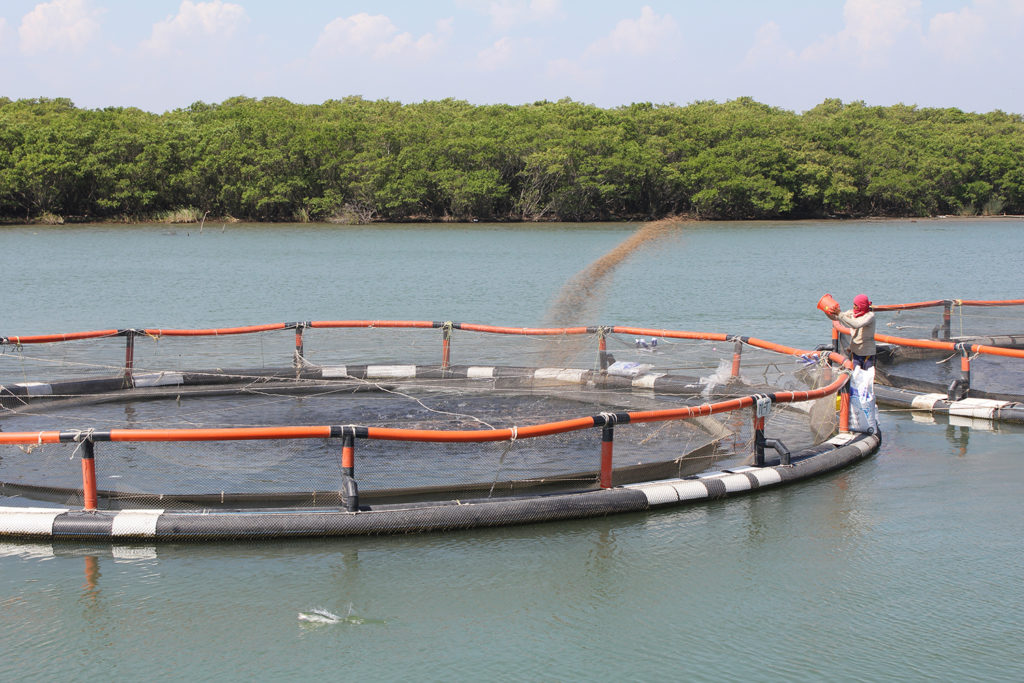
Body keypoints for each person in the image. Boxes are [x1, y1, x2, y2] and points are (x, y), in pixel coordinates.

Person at [833, 294, 876, 369]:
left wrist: (839, 314)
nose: (853, 306)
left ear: (861, 306)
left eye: (855, 305)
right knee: (855, 376)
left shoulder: (869, 316)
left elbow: (856, 324)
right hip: (856, 353)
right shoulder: (852, 313)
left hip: (867, 354)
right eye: (853, 304)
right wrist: (828, 311)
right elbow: (836, 317)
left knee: (867, 377)